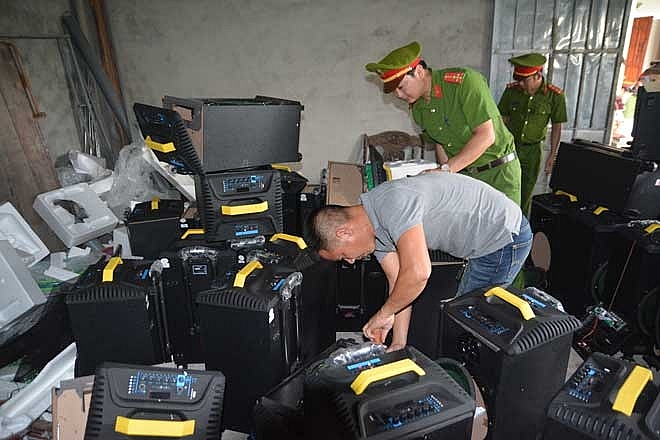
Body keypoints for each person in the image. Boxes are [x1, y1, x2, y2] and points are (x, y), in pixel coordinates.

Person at [307, 172, 532, 350]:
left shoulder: (392, 203)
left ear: (344, 233)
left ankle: (476, 399)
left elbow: (418, 273)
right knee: (460, 320)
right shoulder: (375, 230)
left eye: (344, 256)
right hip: (483, 241)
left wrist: (383, 314)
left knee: (467, 328)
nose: (350, 261)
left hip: (503, 238)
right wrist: (398, 342)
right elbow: (400, 283)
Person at [365, 41, 521, 206]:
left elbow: (486, 135)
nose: (398, 95)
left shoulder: (464, 83)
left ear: (418, 71)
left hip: (498, 174)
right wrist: (444, 179)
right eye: (394, 91)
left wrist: (445, 170)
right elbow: (441, 143)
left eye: (401, 87)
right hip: (467, 177)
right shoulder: (418, 107)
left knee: (506, 230)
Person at [498, 53, 567, 216]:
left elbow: (557, 127)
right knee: (505, 189)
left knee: (525, 192)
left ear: (537, 75)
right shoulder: (511, 92)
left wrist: (552, 155)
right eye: (519, 80)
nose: (520, 84)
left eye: (524, 80)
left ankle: (518, 229)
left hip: (533, 151)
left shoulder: (554, 96)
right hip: (510, 148)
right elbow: (502, 121)